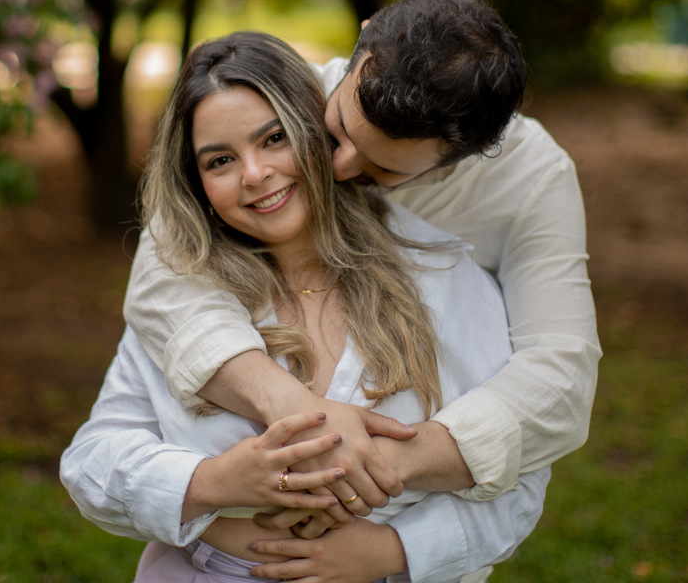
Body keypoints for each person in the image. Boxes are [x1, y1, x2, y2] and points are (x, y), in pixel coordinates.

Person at [62, 32, 549, 582]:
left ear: (318, 134)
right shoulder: (186, 294)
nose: (254, 173)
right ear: (197, 185)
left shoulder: (441, 277)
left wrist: (394, 550)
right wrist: (217, 481)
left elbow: (520, 482)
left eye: (273, 139)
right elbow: (91, 462)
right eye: (220, 160)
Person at [123, 0, 600, 518]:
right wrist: (294, 406)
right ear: (363, 40)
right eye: (340, 131)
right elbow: (165, 264)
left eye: (382, 169)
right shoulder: (287, 93)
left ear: (457, 162)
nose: (340, 167)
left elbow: (560, 377)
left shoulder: (534, 183)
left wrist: (379, 467)